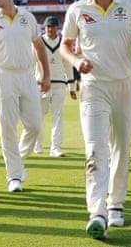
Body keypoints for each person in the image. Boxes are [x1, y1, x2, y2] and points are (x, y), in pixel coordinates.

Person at [60, 0, 131, 240]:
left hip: (124, 84)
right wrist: (76, 61)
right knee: (95, 148)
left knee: (120, 147)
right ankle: (97, 212)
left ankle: (116, 205)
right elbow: (65, 46)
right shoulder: (77, 9)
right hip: (93, 86)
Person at [0, 0, 51, 193]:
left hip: (28, 76)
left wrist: (46, 75)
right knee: (8, 129)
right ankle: (14, 176)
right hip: (5, 76)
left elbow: (39, 47)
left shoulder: (27, 18)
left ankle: (17, 164)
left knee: (35, 126)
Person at [33, 16, 77, 157]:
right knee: (39, 117)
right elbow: (31, 64)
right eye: (48, 26)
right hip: (41, 85)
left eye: (53, 26)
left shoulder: (63, 44)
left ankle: (55, 148)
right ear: (44, 27)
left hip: (59, 85)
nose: (50, 29)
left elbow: (67, 66)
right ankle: (38, 145)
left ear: (58, 27)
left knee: (58, 117)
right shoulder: (38, 43)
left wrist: (71, 87)